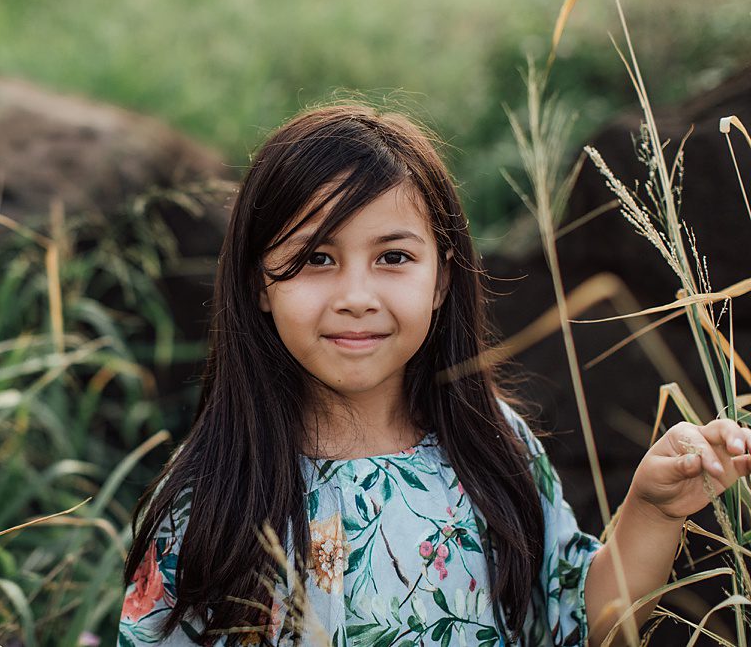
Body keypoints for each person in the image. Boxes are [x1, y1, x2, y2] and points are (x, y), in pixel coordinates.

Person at [116, 104, 751, 646]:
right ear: (260, 282)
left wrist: (651, 510)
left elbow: (588, 624)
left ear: (442, 278)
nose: (356, 296)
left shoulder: (490, 444)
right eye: (316, 258)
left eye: (393, 257)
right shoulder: (217, 489)